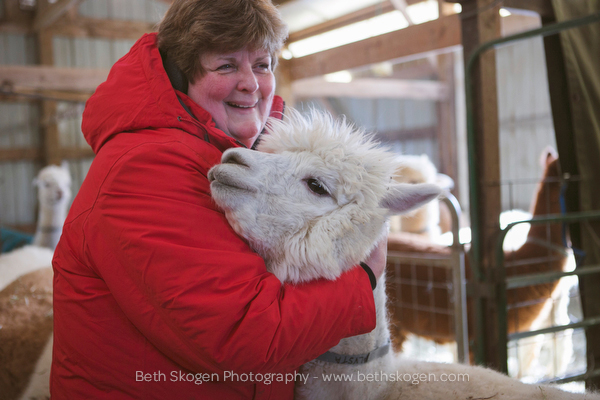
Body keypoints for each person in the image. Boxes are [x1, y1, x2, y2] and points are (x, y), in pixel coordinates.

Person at [51, 0, 387, 398]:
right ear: (181, 76)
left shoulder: (235, 158)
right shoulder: (146, 169)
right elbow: (245, 337)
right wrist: (362, 278)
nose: (251, 83)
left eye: (262, 65)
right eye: (227, 65)